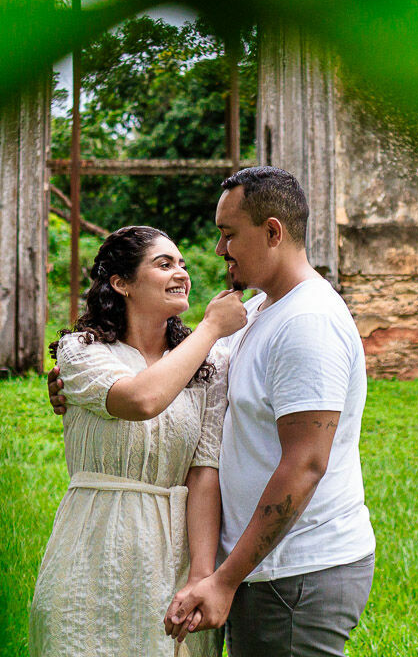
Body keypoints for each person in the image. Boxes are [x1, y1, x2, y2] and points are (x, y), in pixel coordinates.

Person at [165, 166, 376, 657]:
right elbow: (197, 384)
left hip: (296, 576)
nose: (220, 250)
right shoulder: (261, 309)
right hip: (269, 571)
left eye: (228, 234)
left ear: (273, 231)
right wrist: (94, 380)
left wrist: (225, 579)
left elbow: (306, 463)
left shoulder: (308, 323)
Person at [29, 225, 248, 657]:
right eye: (164, 264)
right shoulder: (81, 351)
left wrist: (201, 575)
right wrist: (210, 329)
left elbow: (204, 471)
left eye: (182, 264)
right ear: (121, 283)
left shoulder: (209, 367)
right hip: (92, 547)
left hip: (172, 552)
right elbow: (141, 399)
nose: (181, 273)